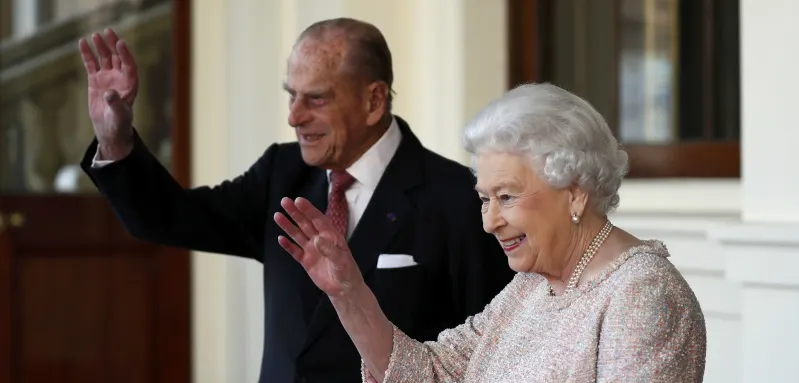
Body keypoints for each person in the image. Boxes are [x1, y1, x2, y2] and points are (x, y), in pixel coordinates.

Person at [76, 19, 514, 383]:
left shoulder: (458, 197)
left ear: (374, 100)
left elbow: (488, 354)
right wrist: (113, 137)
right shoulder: (281, 175)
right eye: (291, 95)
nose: (294, 116)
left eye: (316, 98)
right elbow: (167, 218)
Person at [275, 83, 708, 382]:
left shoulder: (642, 294)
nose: (489, 221)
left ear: (575, 193)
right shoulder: (531, 287)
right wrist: (348, 293)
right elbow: (433, 373)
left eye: (507, 197)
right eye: (485, 198)